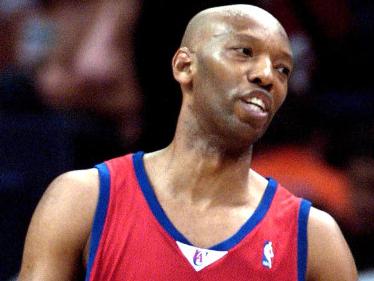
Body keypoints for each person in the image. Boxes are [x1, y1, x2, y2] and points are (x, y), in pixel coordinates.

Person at [18, 4, 357, 280]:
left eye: (283, 69)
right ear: (184, 66)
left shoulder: (315, 238)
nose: (267, 76)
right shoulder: (83, 200)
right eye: (244, 52)